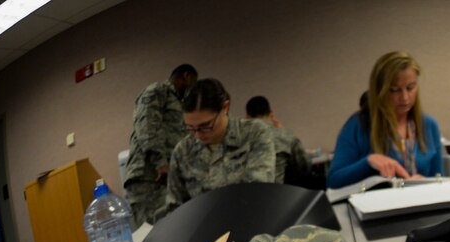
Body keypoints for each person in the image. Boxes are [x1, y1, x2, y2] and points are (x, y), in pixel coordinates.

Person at [327, 51, 443, 188]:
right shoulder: (358, 125)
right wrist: (368, 161)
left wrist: (425, 182)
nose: (405, 97)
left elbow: (440, 180)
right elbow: (333, 181)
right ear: (380, 91)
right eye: (394, 90)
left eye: (410, 88)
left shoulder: (429, 126)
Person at [164, 79, 276, 213]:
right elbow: (175, 208)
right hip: (199, 229)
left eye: (205, 126)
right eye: (191, 128)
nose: (198, 135)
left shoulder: (253, 134)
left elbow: (257, 192)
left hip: (248, 223)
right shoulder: (183, 150)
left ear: (225, 107)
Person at [123, 64, 197, 226]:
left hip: (166, 179)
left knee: (173, 231)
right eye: (193, 81)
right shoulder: (158, 90)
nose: (193, 87)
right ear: (185, 76)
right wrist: (160, 162)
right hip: (148, 177)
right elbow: (147, 126)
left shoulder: (180, 103)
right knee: (150, 234)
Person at [245, 95, 311, 185]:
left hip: (244, 195)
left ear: (247, 118)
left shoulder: (238, 140)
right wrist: (283, 132)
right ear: (271, 115)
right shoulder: (285, 137)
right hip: (277, 195)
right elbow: (304, 168)